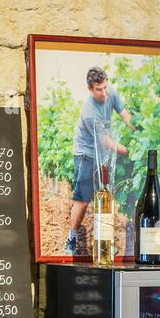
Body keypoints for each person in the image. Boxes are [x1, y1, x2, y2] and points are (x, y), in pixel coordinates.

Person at [65, 66, 133, 255]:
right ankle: (70, 239)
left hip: (102, 153)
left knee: (104, 196)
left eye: (105, 87)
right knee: (83, 199)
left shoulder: (110, 92)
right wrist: (131, 151)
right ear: (89, 89)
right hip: (86, 153)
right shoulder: (88, 112)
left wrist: (137, 129)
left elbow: (124, 114)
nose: (103, 93)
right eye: (98, 89)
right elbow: (105, 141)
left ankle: (102, 237)